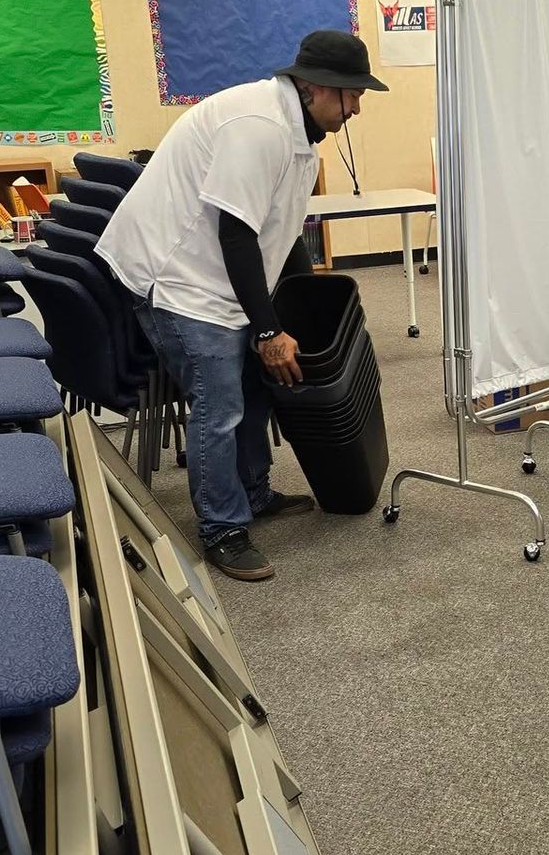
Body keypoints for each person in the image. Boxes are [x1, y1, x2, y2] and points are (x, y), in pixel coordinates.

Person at [97, 29, 388, 581]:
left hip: (215, 272)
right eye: (350, 94)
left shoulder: (300, 133)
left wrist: (303, 308)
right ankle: (221, 529)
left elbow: (283, 231)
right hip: (175, 276)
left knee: (258, 386)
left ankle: (253, 492)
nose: (356, 106)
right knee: (220, 403)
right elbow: (236, 233)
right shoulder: (259, 127)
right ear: (311, 87)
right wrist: (267, 332)